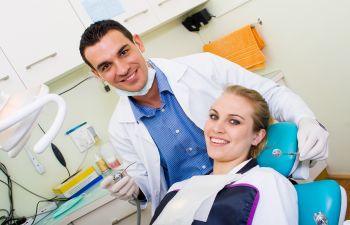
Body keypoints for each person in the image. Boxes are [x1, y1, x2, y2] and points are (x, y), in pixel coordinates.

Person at [79, 19, 328, 212]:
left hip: (250, 183)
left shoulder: (203, 67)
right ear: (96, 74)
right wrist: (135, 190)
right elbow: (147, 183)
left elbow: (269, 94)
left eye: (124, 52)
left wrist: (305, 120)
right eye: (105, 66)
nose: (122, 69)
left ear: (138, 43)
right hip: (195, 209)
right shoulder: (119, 128)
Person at [150, 85, 298, 225]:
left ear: (257, 136)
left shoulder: (265, 182)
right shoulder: (178, 189)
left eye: (234, 121)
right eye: (214, 116)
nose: (217, 128)